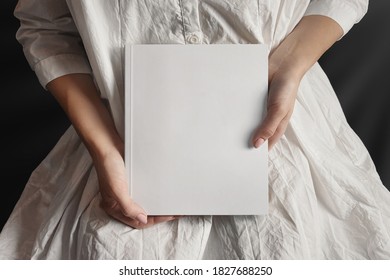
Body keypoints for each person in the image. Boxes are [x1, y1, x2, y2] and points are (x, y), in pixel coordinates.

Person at [1, 0, 389, 259]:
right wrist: (105, 150)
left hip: (290, 152)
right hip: (121, 159)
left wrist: (290, 63)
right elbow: (45, 24)